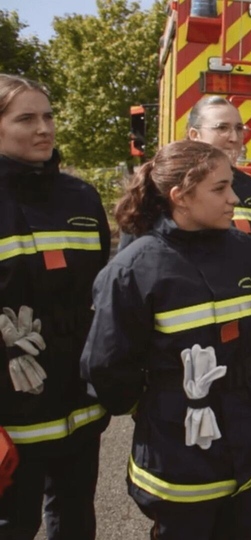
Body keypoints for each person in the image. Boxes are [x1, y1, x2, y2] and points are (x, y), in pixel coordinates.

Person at [81, 140, 251, 539]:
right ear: (181, 197)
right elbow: (105, 365)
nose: (234, 198)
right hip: (176, 447)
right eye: (220, 188)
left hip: (246, 439)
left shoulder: (245, 251)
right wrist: (159, 403)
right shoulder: (135, 268)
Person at [0, 74, 110, 540]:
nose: (44, 128)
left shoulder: (80, 197)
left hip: (76, 395)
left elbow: (102, 287)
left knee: (75, 516)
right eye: (26, 118)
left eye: (48, 116)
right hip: (10, 401)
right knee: (13, 523)